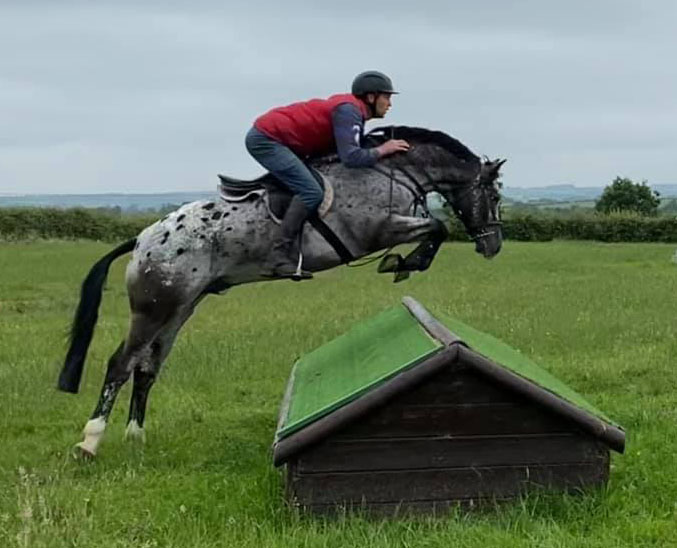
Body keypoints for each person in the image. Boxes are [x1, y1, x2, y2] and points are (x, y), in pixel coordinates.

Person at [245, 70, 410, 280]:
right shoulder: (349, 111)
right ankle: (276, 257)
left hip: (280, 140)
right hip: (266, 139)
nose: (389, 104)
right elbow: (351, 158)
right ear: (371, 97)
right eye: (386, 97)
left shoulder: (353, 112)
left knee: (314, 184)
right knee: (311, 192)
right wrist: (384, 149)